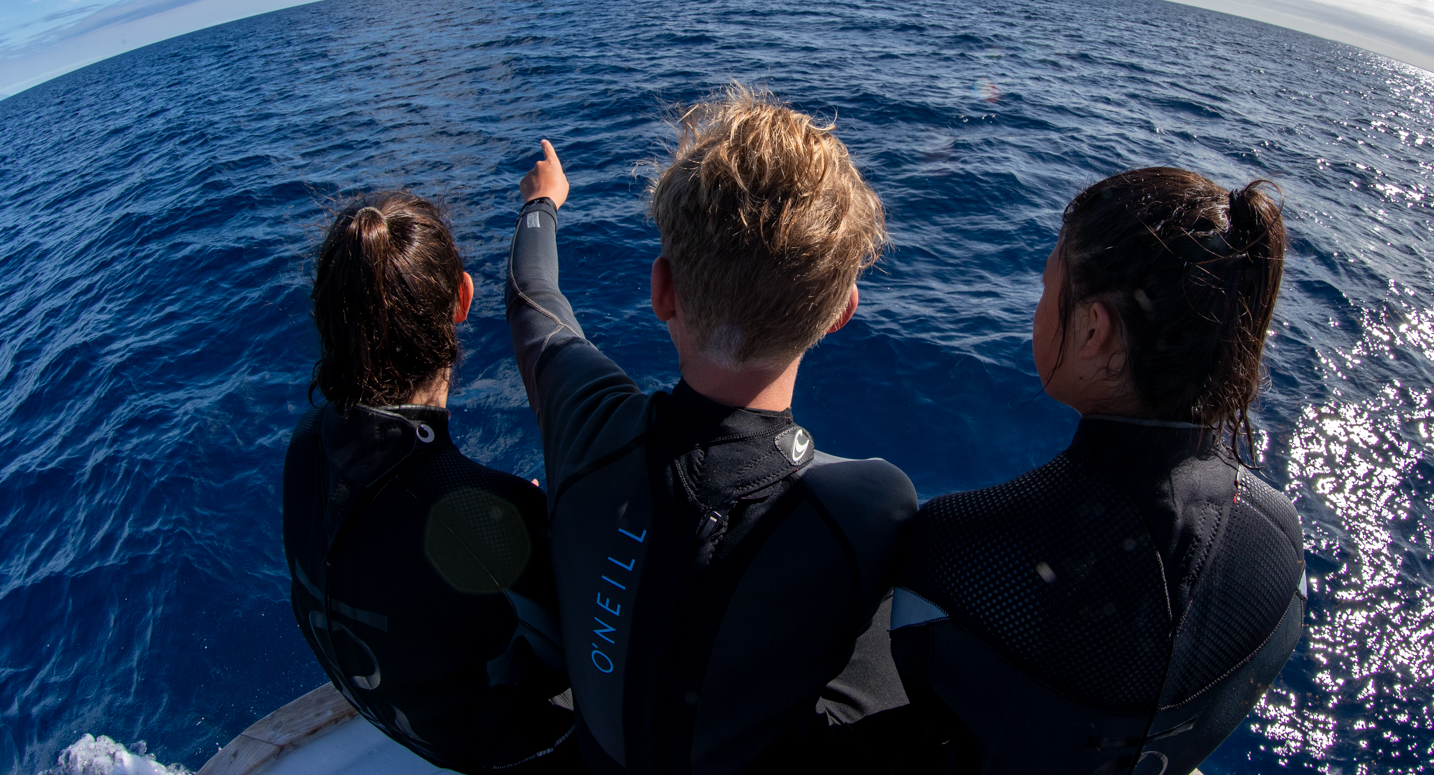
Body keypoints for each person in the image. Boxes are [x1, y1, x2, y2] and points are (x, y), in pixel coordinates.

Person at [505, 86, 919, 775]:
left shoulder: (586, 415)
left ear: (662, 288)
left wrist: (541, 203)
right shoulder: (866, 504)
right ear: (839, 313)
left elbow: (531, 297)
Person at [889, 167, 1307, 774]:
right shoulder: (1283, 540)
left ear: (1092, 330)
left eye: (1044, 288)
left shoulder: (956, 547)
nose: (1035, 309)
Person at [282, 192, 580, 774]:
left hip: (399, 719)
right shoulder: (476, 514)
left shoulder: (307, 441)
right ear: (463, 298)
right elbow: (603, 636)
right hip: (506, 750)